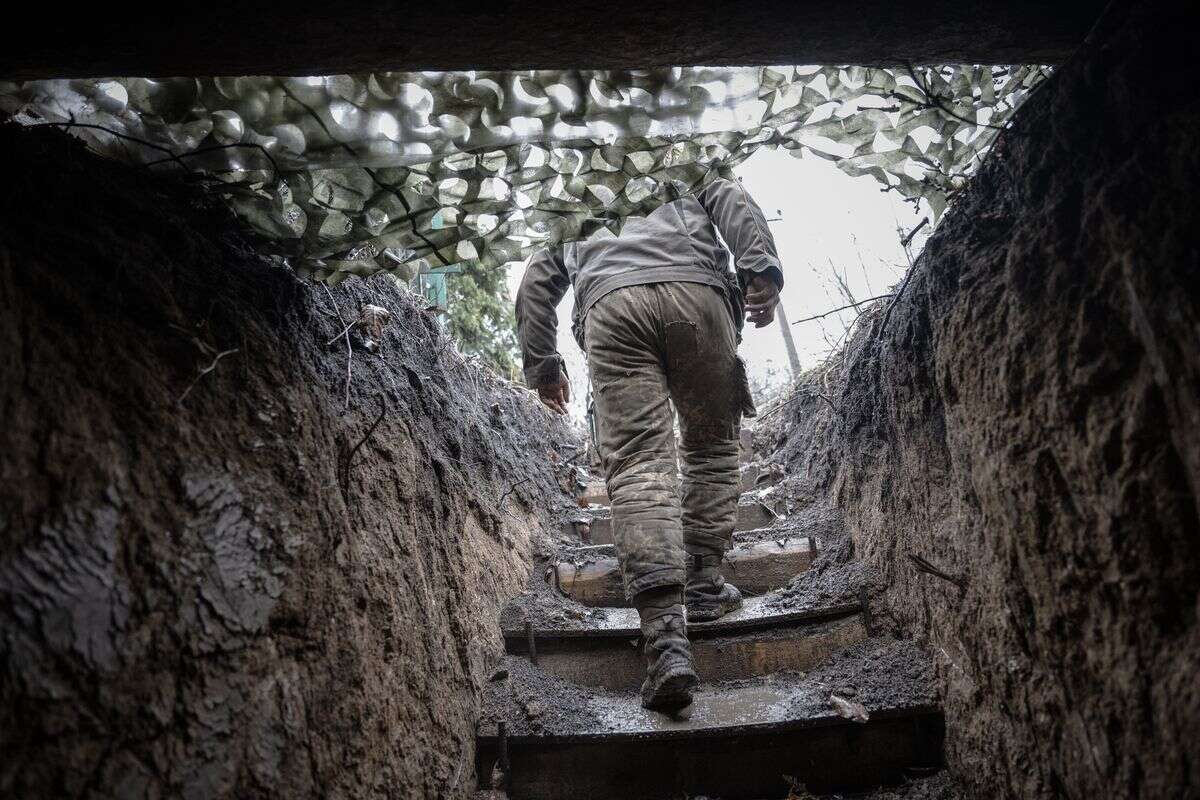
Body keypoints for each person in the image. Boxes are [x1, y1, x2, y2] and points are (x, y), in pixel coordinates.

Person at [515, 175, 783, 715]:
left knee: (639, 465)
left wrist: (544, 366)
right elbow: (731, 197)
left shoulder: (571, 187)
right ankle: (704, 582)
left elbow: (536, 284)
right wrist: (760, 270)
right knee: (711, 448)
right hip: (698, 297)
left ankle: (664, 639)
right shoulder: (679, 157)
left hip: (613, 310)